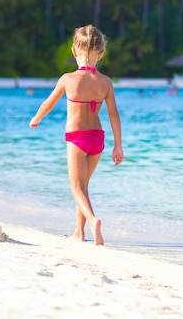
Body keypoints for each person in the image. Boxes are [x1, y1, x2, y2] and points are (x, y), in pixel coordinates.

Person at [29, 24, 124, 245]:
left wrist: (36, 119)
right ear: (101, 54)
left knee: (76, 187)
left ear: (73, 51)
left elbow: (48, 103)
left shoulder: (68, 79)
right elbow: (114, 115)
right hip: (97, 140)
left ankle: (93, 220)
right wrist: (118, 145)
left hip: (77, 138)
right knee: (83, 186)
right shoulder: (106, 82)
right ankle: (79, 234)